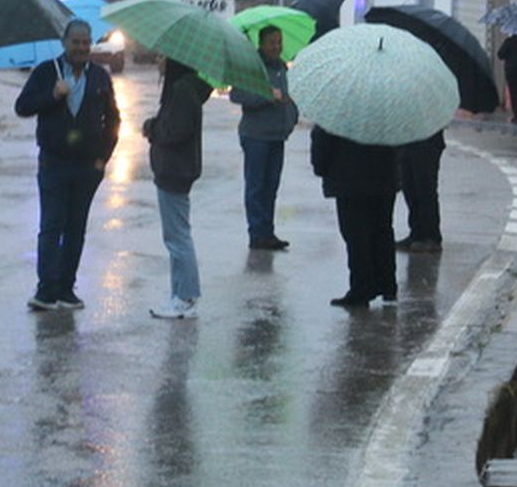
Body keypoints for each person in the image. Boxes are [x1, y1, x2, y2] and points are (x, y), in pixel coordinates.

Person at [15, 19, 121, 311]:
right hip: (54, 164)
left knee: (76, 228)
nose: (82, 48)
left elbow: (113, 119)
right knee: (51, 226)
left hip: (87, 168)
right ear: (65, 43)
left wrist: (103, 158)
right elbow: (22, 106)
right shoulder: (48, 72)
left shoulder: (100, 76)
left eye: (86, 42)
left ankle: (66, 288)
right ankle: (46, 290)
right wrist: (52, 96)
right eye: (76, 42)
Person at [143, 58, 212, 319]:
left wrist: (152, 128)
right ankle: (180, 293)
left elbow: (176, 131)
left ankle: (185, 297)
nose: (158, 61)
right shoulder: (183, 88)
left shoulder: (182, 90)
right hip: (175, 168)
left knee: (177, 237)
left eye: (162, 57)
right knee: (175, 236)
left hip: (174, 169)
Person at [310, 125, 399, 307]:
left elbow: (322, 142)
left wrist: (321, 168)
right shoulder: (387, 107)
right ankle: (387, 284)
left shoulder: (339, 111)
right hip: (384, 176)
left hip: (348, 179)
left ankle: (362, 288)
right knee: (382, 230)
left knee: (356, 236)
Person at [229, 25, 298, 250]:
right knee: (256, 186)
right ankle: (257, 233)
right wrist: (267, 95)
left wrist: (291, 116)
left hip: (277, 136)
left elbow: (287, 95)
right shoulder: (251, 67)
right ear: (261, 44)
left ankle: (268, 231)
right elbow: (237, 95)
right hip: (256, 135)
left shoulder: (281, 68)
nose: (277, 47)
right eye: (272, 43)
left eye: (279, 42)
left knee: (271, 186)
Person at [395, 130, 445, 253]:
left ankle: (431, 236)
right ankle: (416, 233)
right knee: (410, 187)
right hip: (406, 140)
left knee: (424, 189)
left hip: (427, 142)